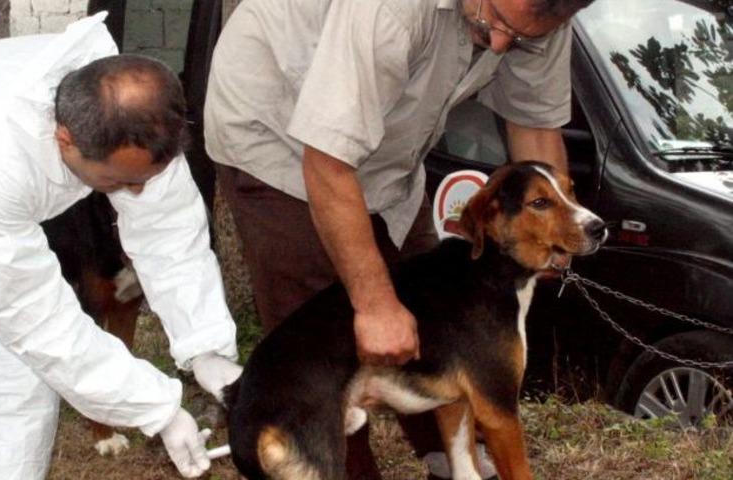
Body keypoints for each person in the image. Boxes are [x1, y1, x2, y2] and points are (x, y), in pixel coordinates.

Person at [204, 0, 594, 478]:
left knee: (439, 305)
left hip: (390, 154)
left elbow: (534, 125)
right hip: (278, 137)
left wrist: (554, 233)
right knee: (331, 326)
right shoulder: (390, 8)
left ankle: (454, 465)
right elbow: (328, 161)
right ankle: (334, 464)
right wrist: (373, 303)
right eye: (492, 23)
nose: (497, 45)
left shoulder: (540, 13)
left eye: (520, 38)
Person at [0, 13, 241, 480]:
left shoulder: (136, 115)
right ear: (63, 139)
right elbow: (39, 321)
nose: (135, 193)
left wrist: (207, 348)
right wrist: (158, 408)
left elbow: (170, 232)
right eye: (118, 182)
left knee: (17, 387)